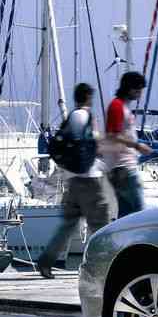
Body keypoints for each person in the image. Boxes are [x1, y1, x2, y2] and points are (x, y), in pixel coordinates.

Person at [37, 83, 114, 279]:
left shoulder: (73, 115)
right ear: (87, 97)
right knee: (102, 225)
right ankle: (106, 267)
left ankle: (46, 261)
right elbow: (87, 144)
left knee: (68, 225)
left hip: (74, 180)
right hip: (89, 180)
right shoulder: (82, 115)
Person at [104, 71, 151, 218]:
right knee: (140, 214)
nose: (140, 94)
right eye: (138, 90)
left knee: (126, 216)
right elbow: (112, 135)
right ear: (129, 88)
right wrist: (137, 146)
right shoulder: (117, 106)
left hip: (121, 168)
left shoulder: (122, 107)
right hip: (123, 167)